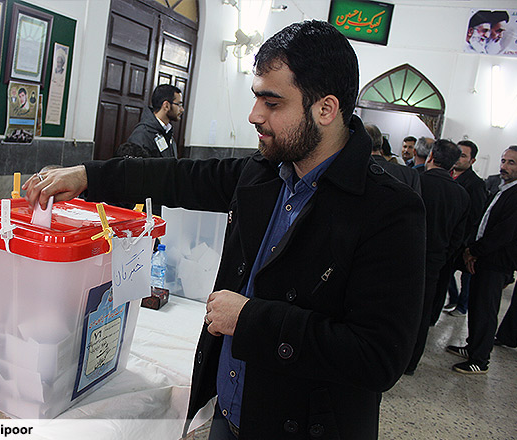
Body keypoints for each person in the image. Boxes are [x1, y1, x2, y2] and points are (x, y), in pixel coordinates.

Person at [24, 20, 426, 438]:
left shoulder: (389, 210)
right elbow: (177, 177)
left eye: (272, 103)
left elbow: (378, 357)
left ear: (325, 109)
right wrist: (87, 176)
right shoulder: (265, 173)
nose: (254, 116)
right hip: (231, 411)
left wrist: (251, 319)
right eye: (256, 98)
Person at [447, 146, 517, 374]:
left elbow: (502, 233)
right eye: (504, 160)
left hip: (496, 262)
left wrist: (475, 250)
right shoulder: (503, 189)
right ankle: (473, 346)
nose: (504, 166)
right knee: (477, 306)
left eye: (511, 163)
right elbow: (484, 222)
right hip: (484, 258)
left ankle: (480, 359)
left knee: (486, 309)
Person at [405, 140, 469, 375]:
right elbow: (457, 237)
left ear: (430, 156)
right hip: (434, 261)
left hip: (406, 256)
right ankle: (410, 363)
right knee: (422, 314)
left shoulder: (416, 181)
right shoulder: (461, 195)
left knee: (398, 308)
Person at [438, 140, 487, 320]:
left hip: (462, 241)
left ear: (472, 161)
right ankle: (454, 299)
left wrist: (466, 244)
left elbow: (474, 217)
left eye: (464, 156)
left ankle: (462, 304)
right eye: (458, 154)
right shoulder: (448, 175)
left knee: (465, 276)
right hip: (447, 237)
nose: (459, 158)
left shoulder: (475, 184)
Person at [127, 84, 183, 157]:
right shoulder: (142, 134)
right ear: (166, 106)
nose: (182, 109)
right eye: (179, 105)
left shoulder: (167, 132)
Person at [365, 124, 421, 195]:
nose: (406, 150)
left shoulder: (354, 170)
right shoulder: (410, 174)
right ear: (381, 142)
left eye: (410, 147)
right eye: (405, 146)